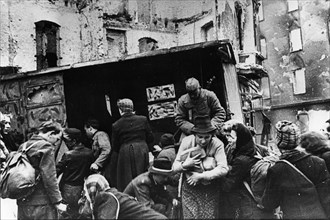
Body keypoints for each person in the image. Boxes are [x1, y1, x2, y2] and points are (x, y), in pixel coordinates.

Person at [262, 120, 330, 219]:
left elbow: (269, 203)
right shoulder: (318, 162)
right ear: (298, 140)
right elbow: (327, 198)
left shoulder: (276, 169)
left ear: (278, 142)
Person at [172, 115, 228, 219]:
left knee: (209, 216)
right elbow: (174, 167)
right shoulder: (187, 141)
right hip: (190, 187)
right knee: (191, 216)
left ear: (212, 135)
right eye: (200, 137)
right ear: (194, 135)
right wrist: (185, 165)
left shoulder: (217, 144)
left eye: (207, 137)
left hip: (210, 187)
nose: (203, 141)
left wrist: (201, 176)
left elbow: (223, 168)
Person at [17, 120, 67, 220]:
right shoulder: (46, 146)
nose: (57, 143)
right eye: (57, 139)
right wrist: (57, 201)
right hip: (41, 203)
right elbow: (49, 176)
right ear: (51, 134)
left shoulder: (24, 146)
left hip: (23, 201)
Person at [220, 121, 264, 219]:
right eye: (227, 137)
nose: (229, 140)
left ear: (241, 139)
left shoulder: (241, 160)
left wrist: (219, 173)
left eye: (232, 137)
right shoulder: (254, 150)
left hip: (247, 205)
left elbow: (228, 186)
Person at [78, 174, 167, 219]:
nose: (86, 196)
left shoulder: (107, 198)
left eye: (86, 192)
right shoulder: (112, 194)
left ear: (92, 189)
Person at [112, 98, 154, 192]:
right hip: (142, 150)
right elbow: (150, 137)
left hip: (125, 153)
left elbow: (115, 146)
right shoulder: (143, 120)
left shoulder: (116, 125)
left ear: (120, 110)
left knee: (127, 179)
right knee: (144, 174)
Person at [56, 128, 94, 219]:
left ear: (73, 141)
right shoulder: (90, 152)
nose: (65, 143)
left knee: (67, 214)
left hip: (68, 189)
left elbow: (56, 171)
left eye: (66, 141)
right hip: (83, 187)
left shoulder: (68, 155)